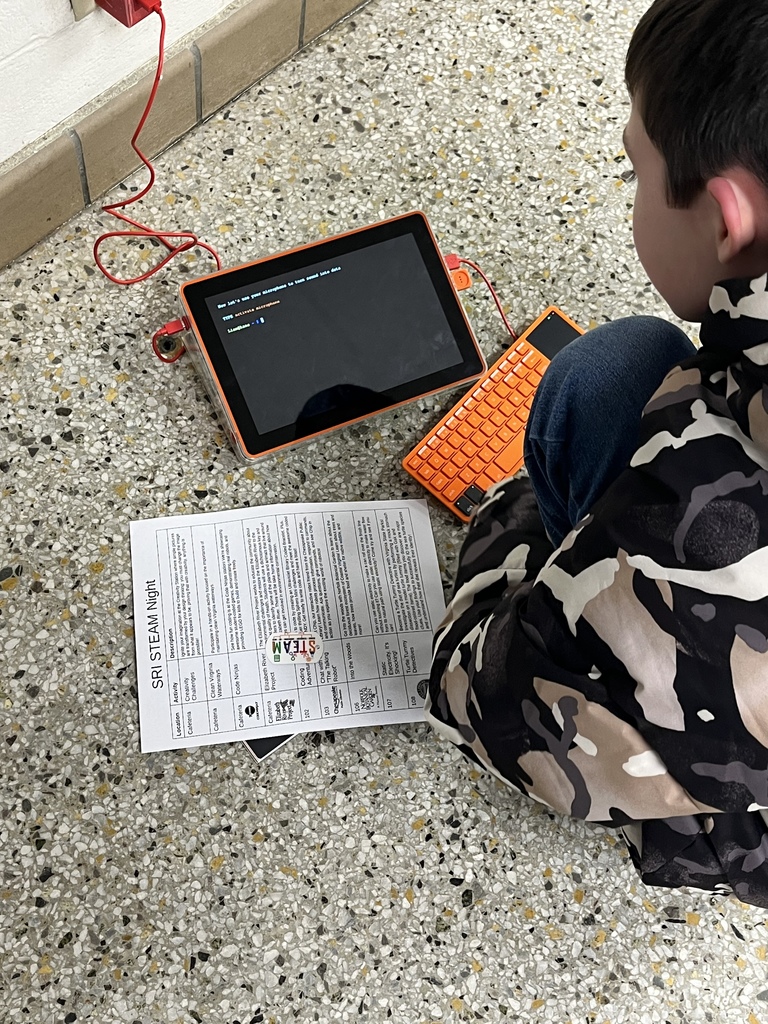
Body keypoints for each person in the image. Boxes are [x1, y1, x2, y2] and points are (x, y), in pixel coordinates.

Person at [425, 0, 768, 908]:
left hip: (746, 819)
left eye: (636, 169)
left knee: (608, 375)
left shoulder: (698, 530)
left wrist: (517, 532)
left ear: (728, 215)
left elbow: (479, 697)